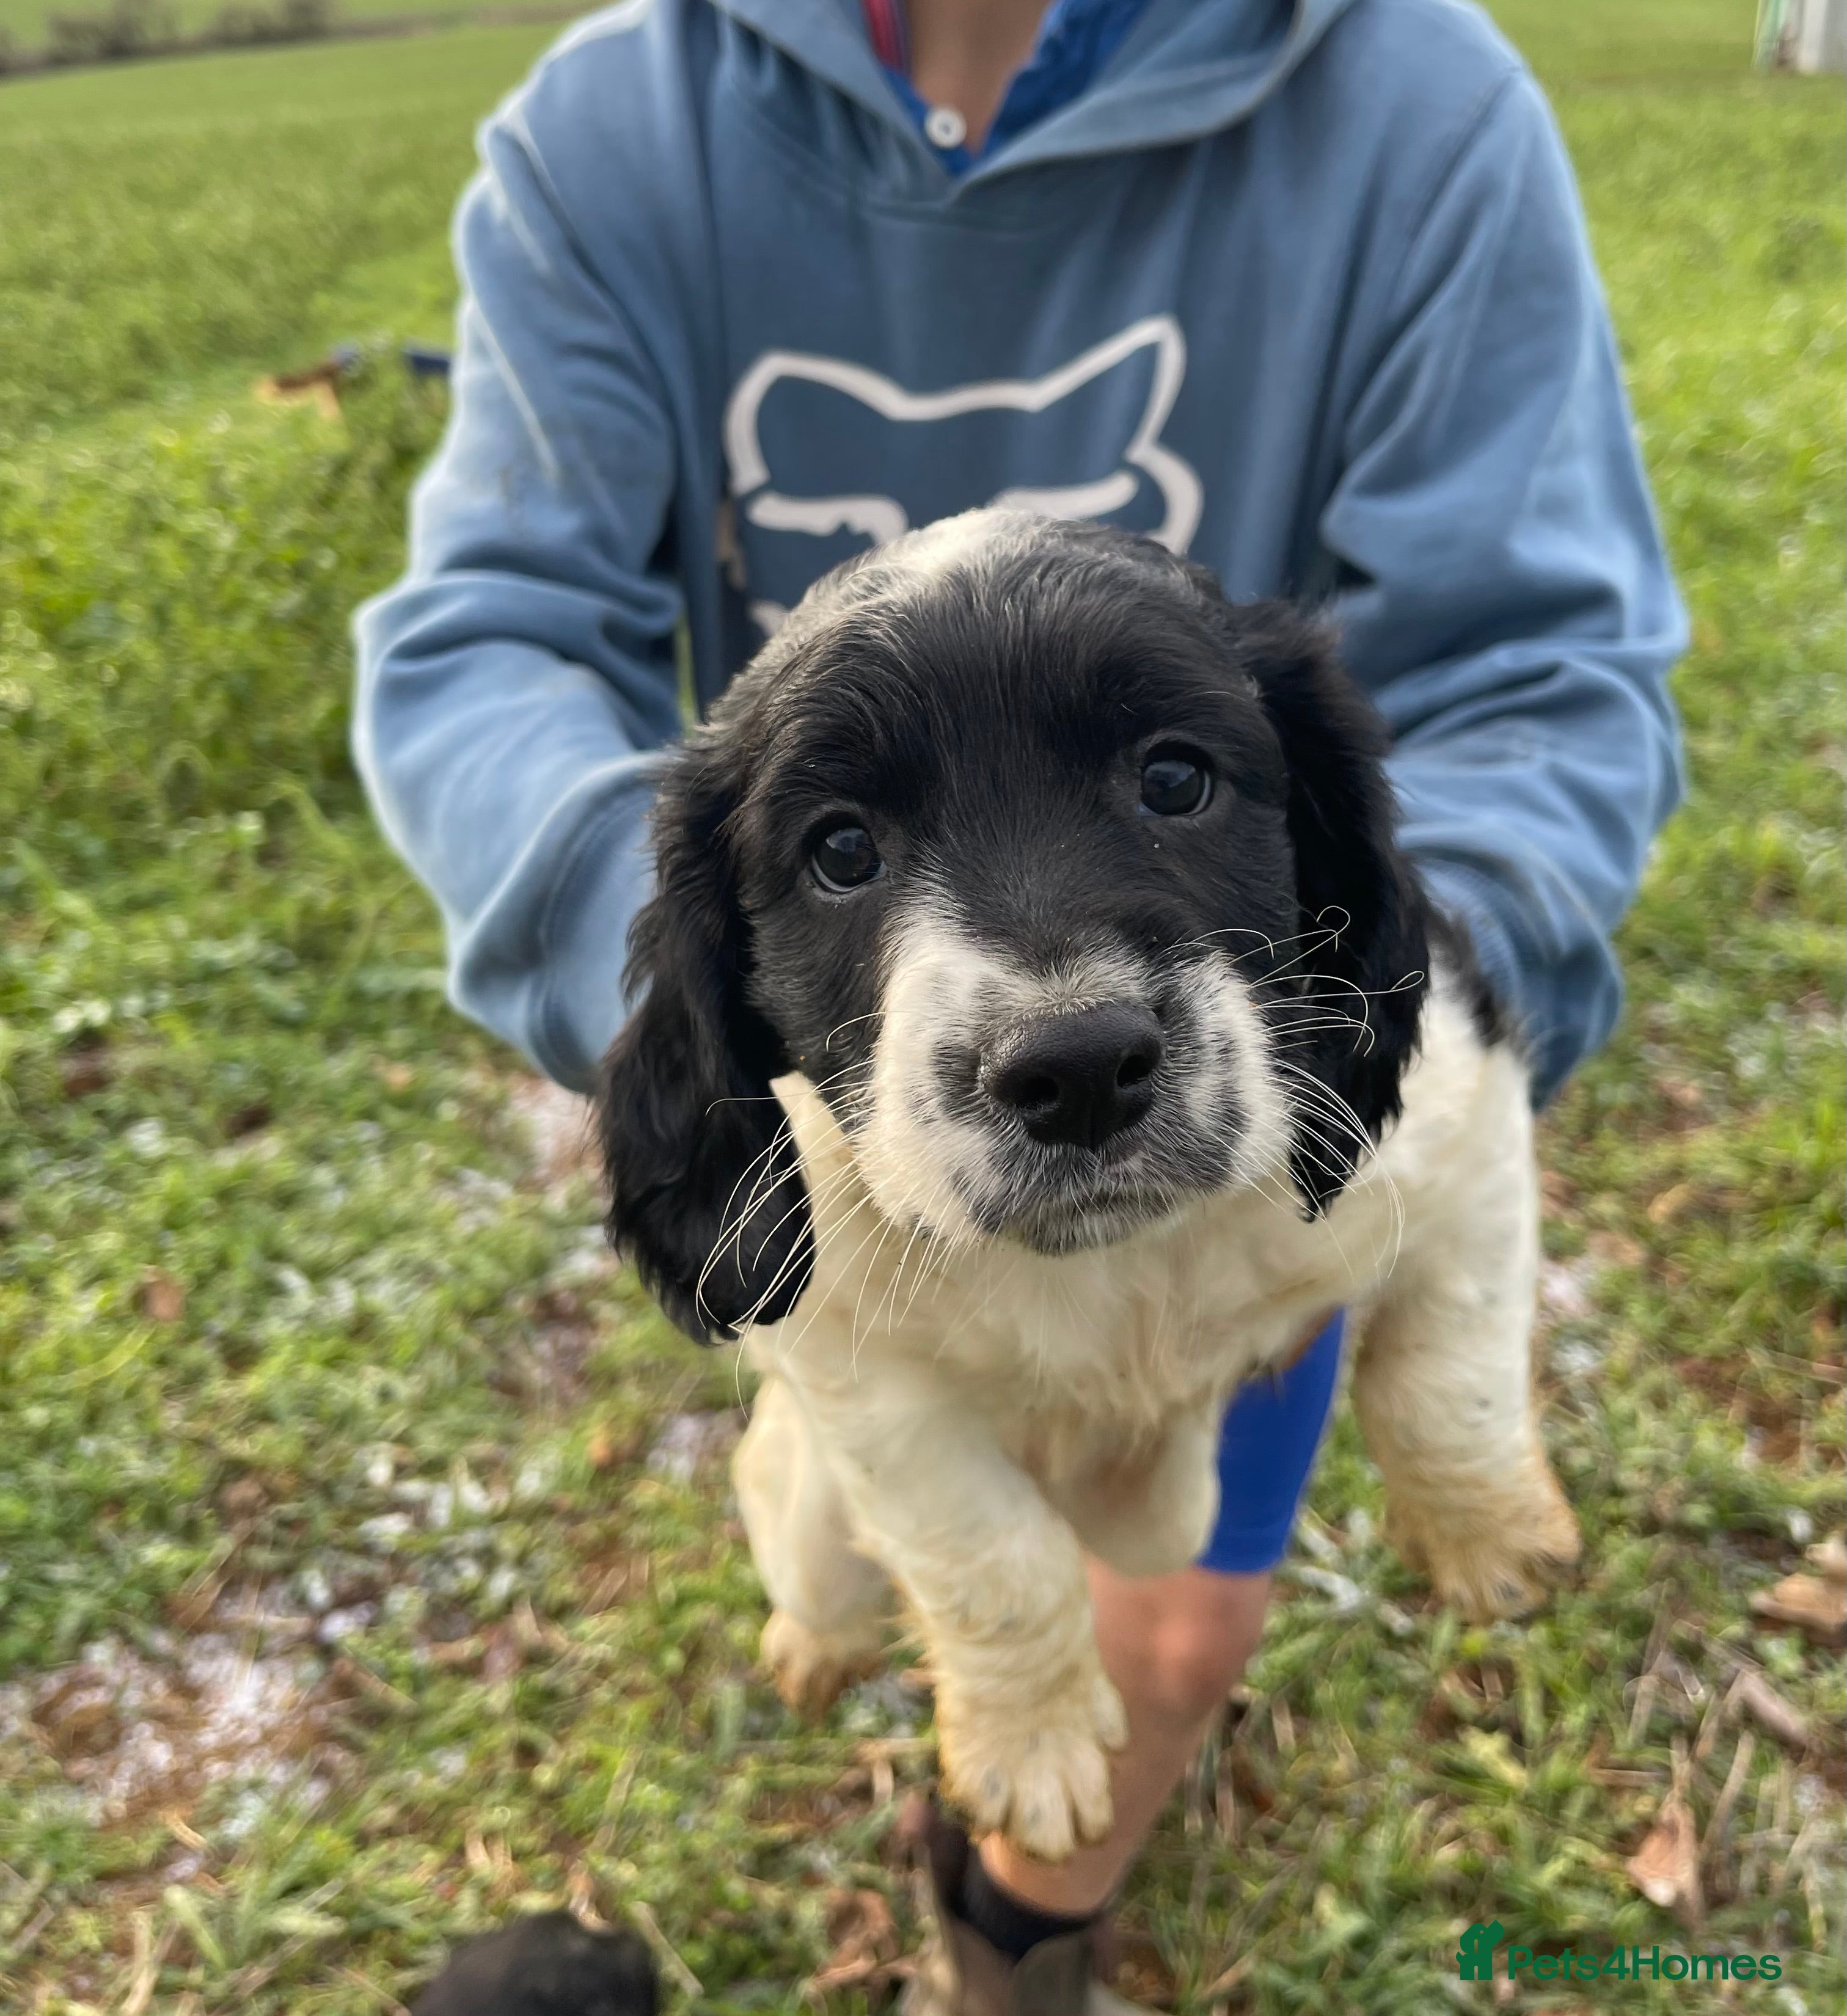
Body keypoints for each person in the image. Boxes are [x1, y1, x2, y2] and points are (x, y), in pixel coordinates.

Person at [353, 0, 1684, 2009]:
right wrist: (676, 1003)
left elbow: (1537, 678)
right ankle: (974, 1741)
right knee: (839, 1563)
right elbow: (489, 633)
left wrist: (1447, 1392)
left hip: (1277, 1094)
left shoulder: (1414, 106)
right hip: (890, 1183)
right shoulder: (613, 136)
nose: (1049, 997)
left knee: (1176, 1633)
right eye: (836, 850)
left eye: (1171, 778)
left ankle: (1017, 1940)